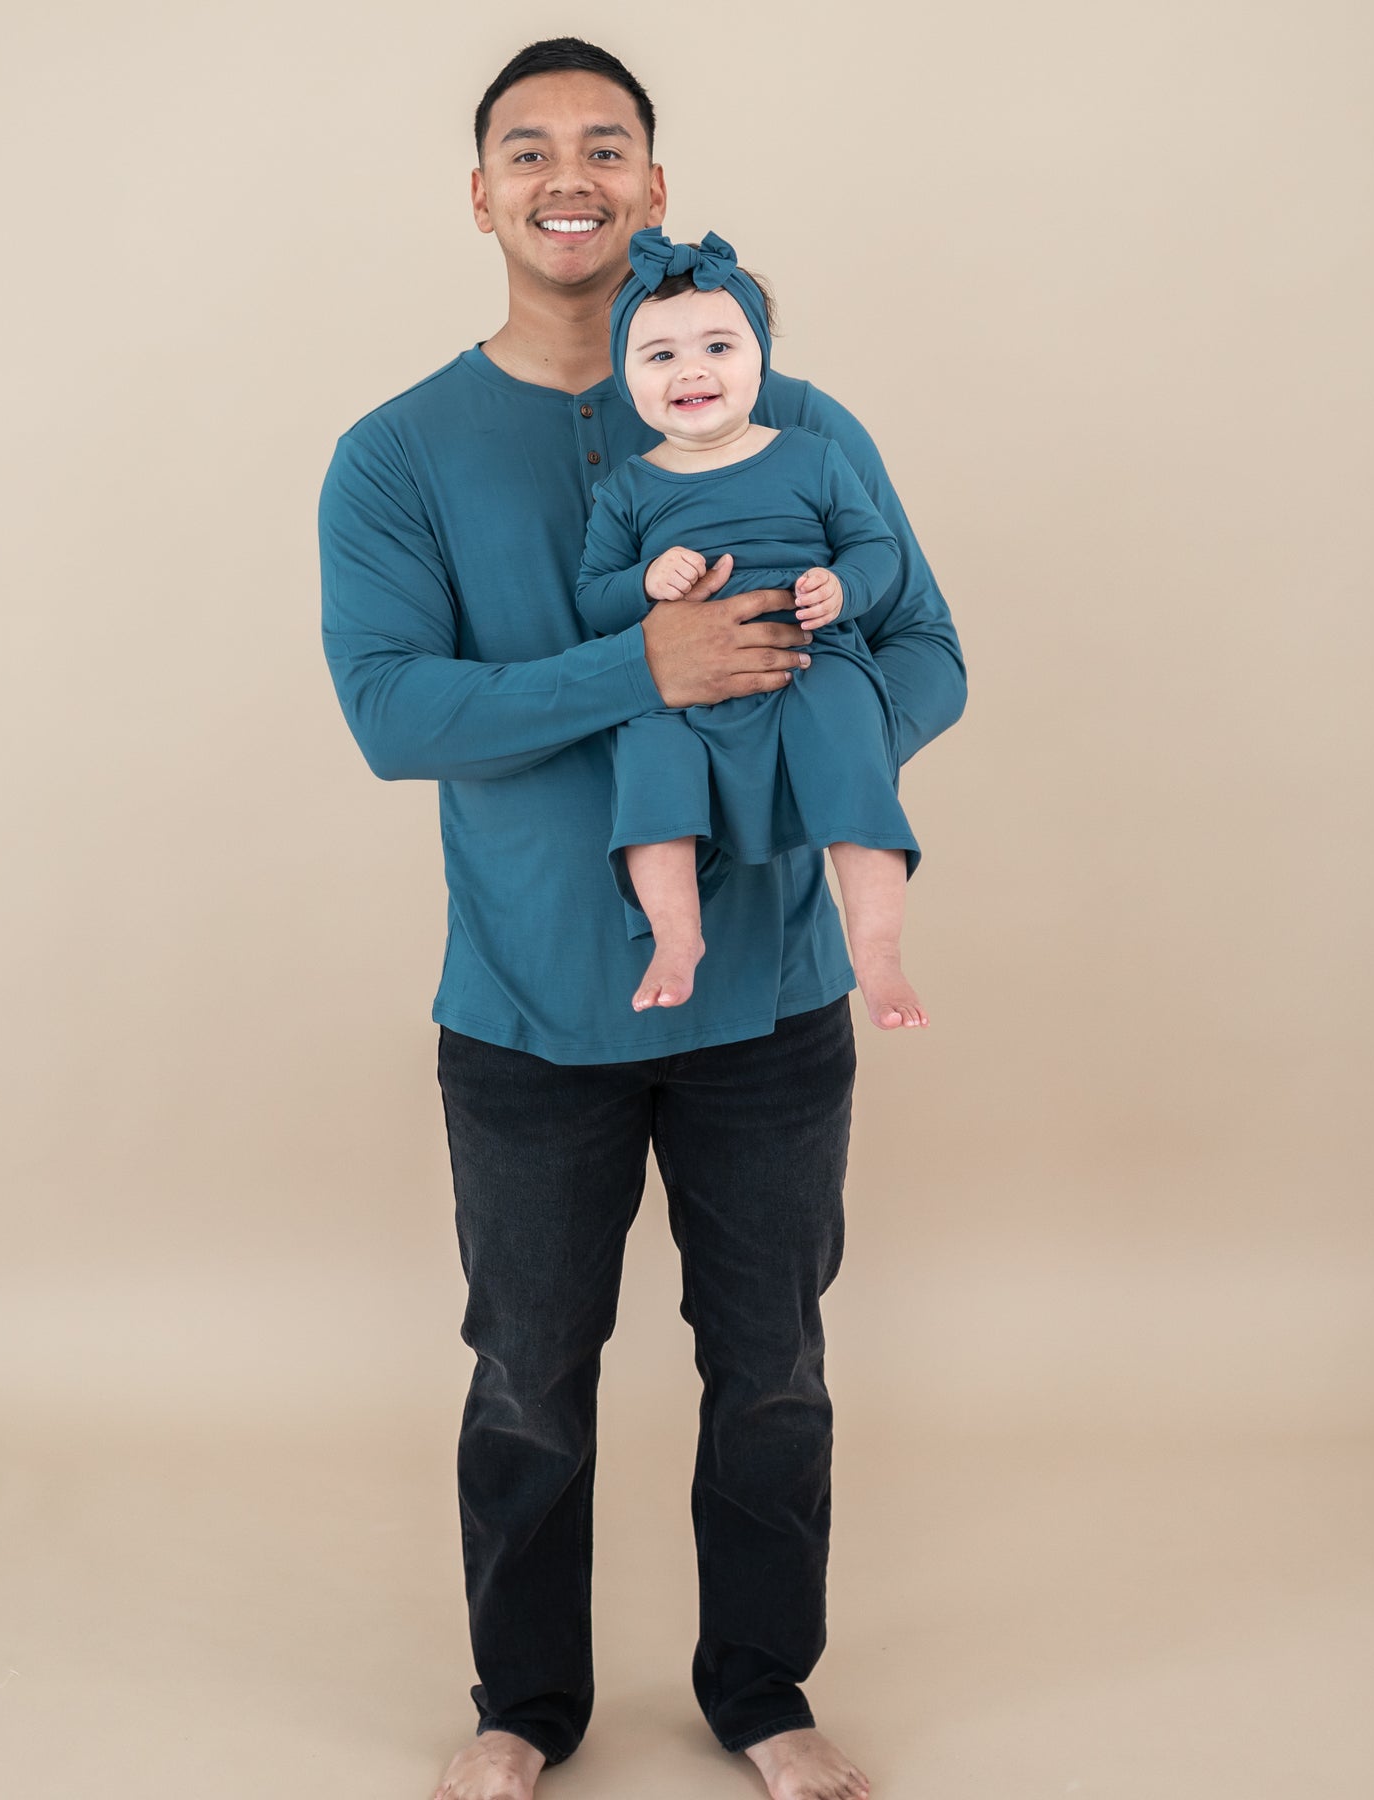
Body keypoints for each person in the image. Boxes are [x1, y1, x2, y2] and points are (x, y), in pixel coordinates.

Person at [317, 36, 965, 1800]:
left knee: (771, 1370)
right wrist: (644, 667)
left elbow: (928, 654)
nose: (569, 173)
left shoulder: (802, 421)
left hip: (770, 1005)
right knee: (528, 1374)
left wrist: (779, 749)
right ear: (482, 198)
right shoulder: (398, 456)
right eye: (528, 149)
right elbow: (393, 715)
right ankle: (524, 1706)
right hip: (530, 1012)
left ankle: (763, 1690)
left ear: (656, 188)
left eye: (607, 144)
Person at [577, 225, 929, 1029]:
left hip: (810, 656)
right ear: (626, 379)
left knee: (852, 752)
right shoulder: (629, 491)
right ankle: (676, 936)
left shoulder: (809, 456)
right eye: (658, 355)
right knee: (650, 761)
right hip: (678, 683)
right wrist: (644, 581)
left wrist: (842, 587)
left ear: (760, 361)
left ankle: (876, 951)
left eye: (719, 346)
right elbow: (595, 598)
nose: (691, 368)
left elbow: (876, 549)